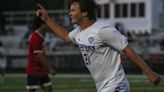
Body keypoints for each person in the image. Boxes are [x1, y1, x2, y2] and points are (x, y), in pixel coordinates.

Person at [36, 0, 161, 92]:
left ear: (84, 13)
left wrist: (149, 72)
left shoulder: (102, 30)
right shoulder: (79, 31)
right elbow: (65, 36)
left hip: (116, 85)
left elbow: (127, 49)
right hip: (103, 87)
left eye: (73, 10)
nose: (69, 13)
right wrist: (47, 19)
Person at [26, 16, 56, 92]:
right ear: (42, 25)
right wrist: (49, 68)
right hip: (34, 70)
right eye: (46, 24)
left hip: (42, 70)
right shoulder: (35, 37)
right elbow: (39, 55)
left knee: (49, 89)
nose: (48, 25)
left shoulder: (41, 36)